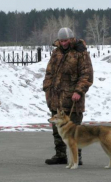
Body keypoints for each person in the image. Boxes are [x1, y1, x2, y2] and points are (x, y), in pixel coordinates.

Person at [43, 27, 93, 165]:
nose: (63, 43)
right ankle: (60, 155)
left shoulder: (80, 53)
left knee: (75, 130)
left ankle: (77, 156)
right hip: (56, 97)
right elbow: (49, 72)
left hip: (73, 99)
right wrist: (47, 88)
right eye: (61, 40)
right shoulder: (56, 52)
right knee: (57, 129)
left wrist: (78, 91)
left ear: (71, 39)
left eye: (66, 40)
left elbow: (86, 75)